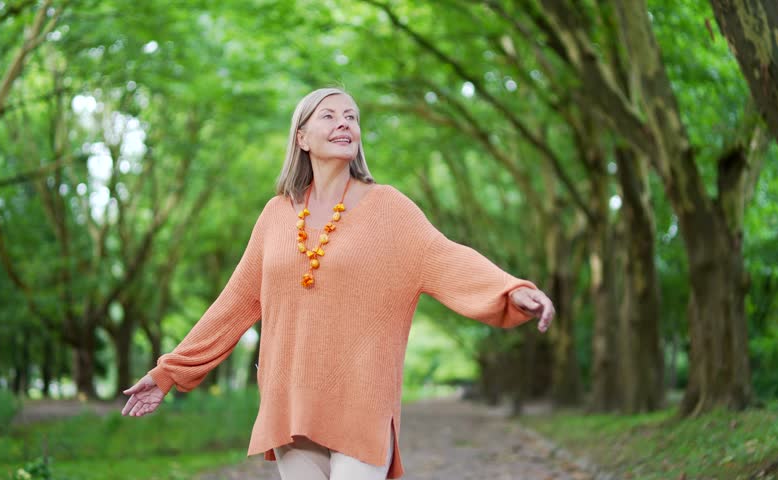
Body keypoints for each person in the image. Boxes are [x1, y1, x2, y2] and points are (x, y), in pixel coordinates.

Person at [121, 87, 555, 480]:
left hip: (363, 400)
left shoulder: (390, 208)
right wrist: (168, 372)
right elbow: (234, 302)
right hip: (291, 400)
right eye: (329, 116)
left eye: (352, 116)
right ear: (302, 138)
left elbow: (445, 256)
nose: (345, 123)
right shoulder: (276, 214)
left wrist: (511, 290)